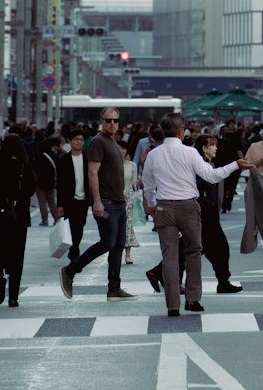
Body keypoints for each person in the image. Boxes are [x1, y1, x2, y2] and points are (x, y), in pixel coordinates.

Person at [142, 114, 247, 316]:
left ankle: (172, 305)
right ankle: (193, 299)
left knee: (170, 257)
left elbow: (148, 185)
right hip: (188, 206)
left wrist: (153, 204)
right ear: (181, 131)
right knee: (193, 252)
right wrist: (236, 164)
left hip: (164, 206)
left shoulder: (154, 154)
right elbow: (212, 175)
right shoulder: (189, 152)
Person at [59, 108, 134, 301]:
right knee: (108, 242)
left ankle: (114, 287)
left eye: (115, 120)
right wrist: (97, 201)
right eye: (108, 120)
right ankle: (70, 270)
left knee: (118, 245)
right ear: (102, 121)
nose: (112, 123)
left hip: (118, 201)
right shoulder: (99, 141)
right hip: (107, 201)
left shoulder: (112, 142)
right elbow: (92, 173)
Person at [0, 134, 36, 307]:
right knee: (17, 255)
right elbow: (30, 190)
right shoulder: (24, 167)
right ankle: (13, 296)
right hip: (19, 217)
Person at [54, 127, 91, 261]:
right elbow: (61, 185)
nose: (79, 142)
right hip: (69, 199)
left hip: (84, 199)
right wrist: (59, 205)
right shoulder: (64, 161)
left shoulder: (88, 159)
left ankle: (75, 247)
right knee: (71, 226)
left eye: (81, 140)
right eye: (76, 139)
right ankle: (74, 250)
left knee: (80, 225)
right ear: (70, 141)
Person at [120, 140, 140, 264]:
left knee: (127, 225)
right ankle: (115, 251)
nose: (121, 151)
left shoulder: (132, 165)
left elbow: (134, 183)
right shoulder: (110, 164)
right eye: (119, 148)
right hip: (114, 196)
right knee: (115, 226)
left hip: (128, 196)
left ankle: (127, 254)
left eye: (123, 148)